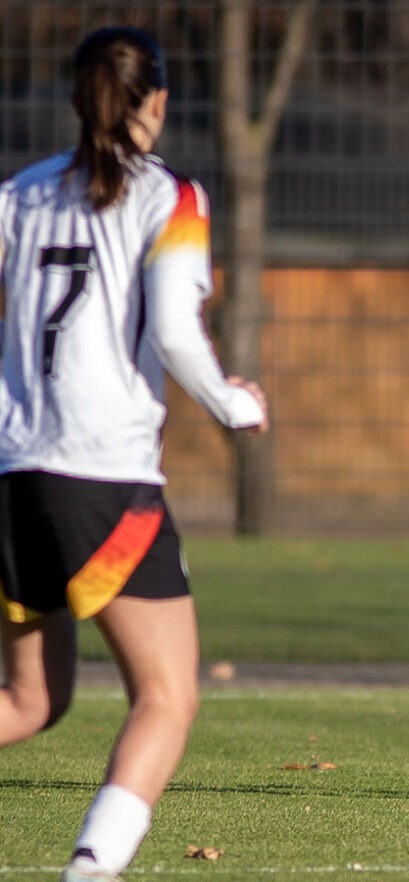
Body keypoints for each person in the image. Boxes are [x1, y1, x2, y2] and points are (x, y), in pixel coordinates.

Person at [0, 27, 268, 882]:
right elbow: (175, 331)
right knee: (167, 696)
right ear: (156, 102)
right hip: (102, 478)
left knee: (30, 701)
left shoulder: (19, 196)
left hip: (14, 476)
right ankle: (90, 871)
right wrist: (233, 402)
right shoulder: (169, 198)